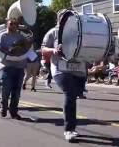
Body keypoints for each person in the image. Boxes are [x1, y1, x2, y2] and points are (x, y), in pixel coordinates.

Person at [41, 9, 87, 142]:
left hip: (79, 70)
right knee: (70, 94)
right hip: (60, 69)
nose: (66, 19)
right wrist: (54, 50)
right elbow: (43, 49)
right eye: (63, 17)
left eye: (69, 16)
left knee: (76, 94)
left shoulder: (79, 30)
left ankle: (71, 127)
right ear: (58, 19)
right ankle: (69, 130)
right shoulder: (52, 32)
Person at [0, 18, 31, 120]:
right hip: (6, 66)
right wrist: (10, 50)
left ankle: (13, 111)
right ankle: (4, 107)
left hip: (19, 66)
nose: (13, 26)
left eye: (15, 24)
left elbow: (26, 48)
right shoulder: (2, 36)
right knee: (5, 89)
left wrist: (21, 48)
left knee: (16, 92)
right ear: (7, 25)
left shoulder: (21, 36)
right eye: (11, 24)